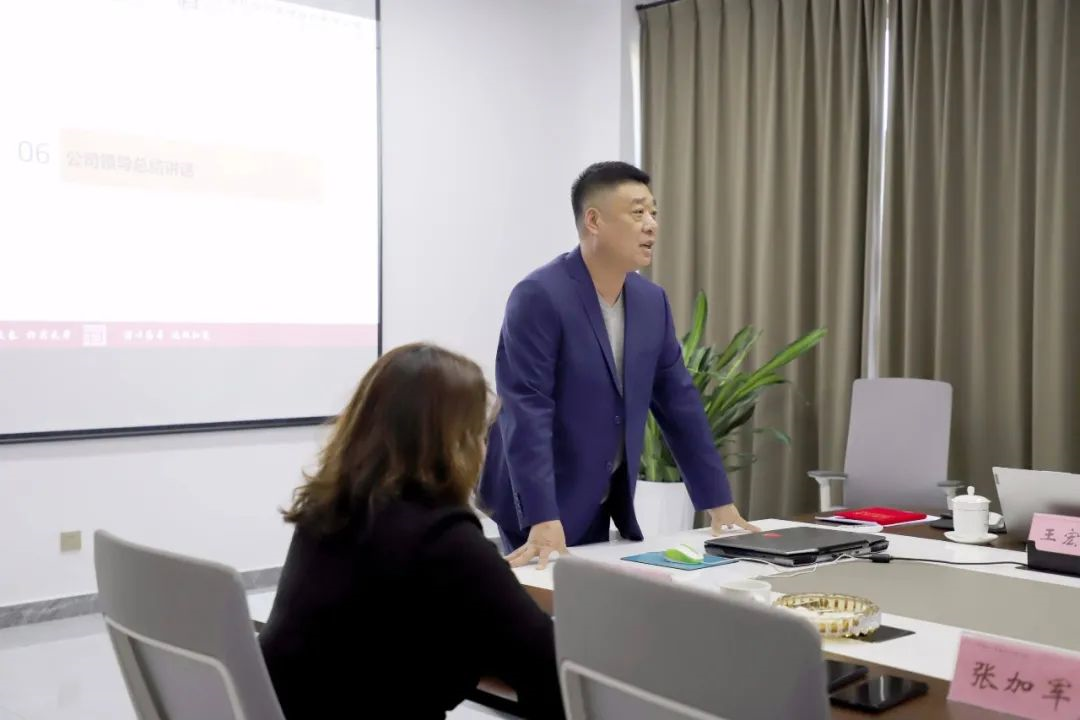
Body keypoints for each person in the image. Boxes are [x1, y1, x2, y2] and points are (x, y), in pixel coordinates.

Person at [259, 344, 564, 720]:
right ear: (456, 442)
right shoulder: (444, 538)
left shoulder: (326, 511)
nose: (485, 450)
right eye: (479, 434)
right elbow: (547, 665)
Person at [478, 161, 759, 567]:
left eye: (654, 213)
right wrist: (542, 516)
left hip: (599, 497)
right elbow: (526, 410)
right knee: (542, 599)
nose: (652, 225)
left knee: (589, 600)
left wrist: (719, 503)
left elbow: (679, 402)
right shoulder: (539, 296)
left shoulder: (651, 302)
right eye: (638, 212)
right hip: (535, 502)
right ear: (594, 221)